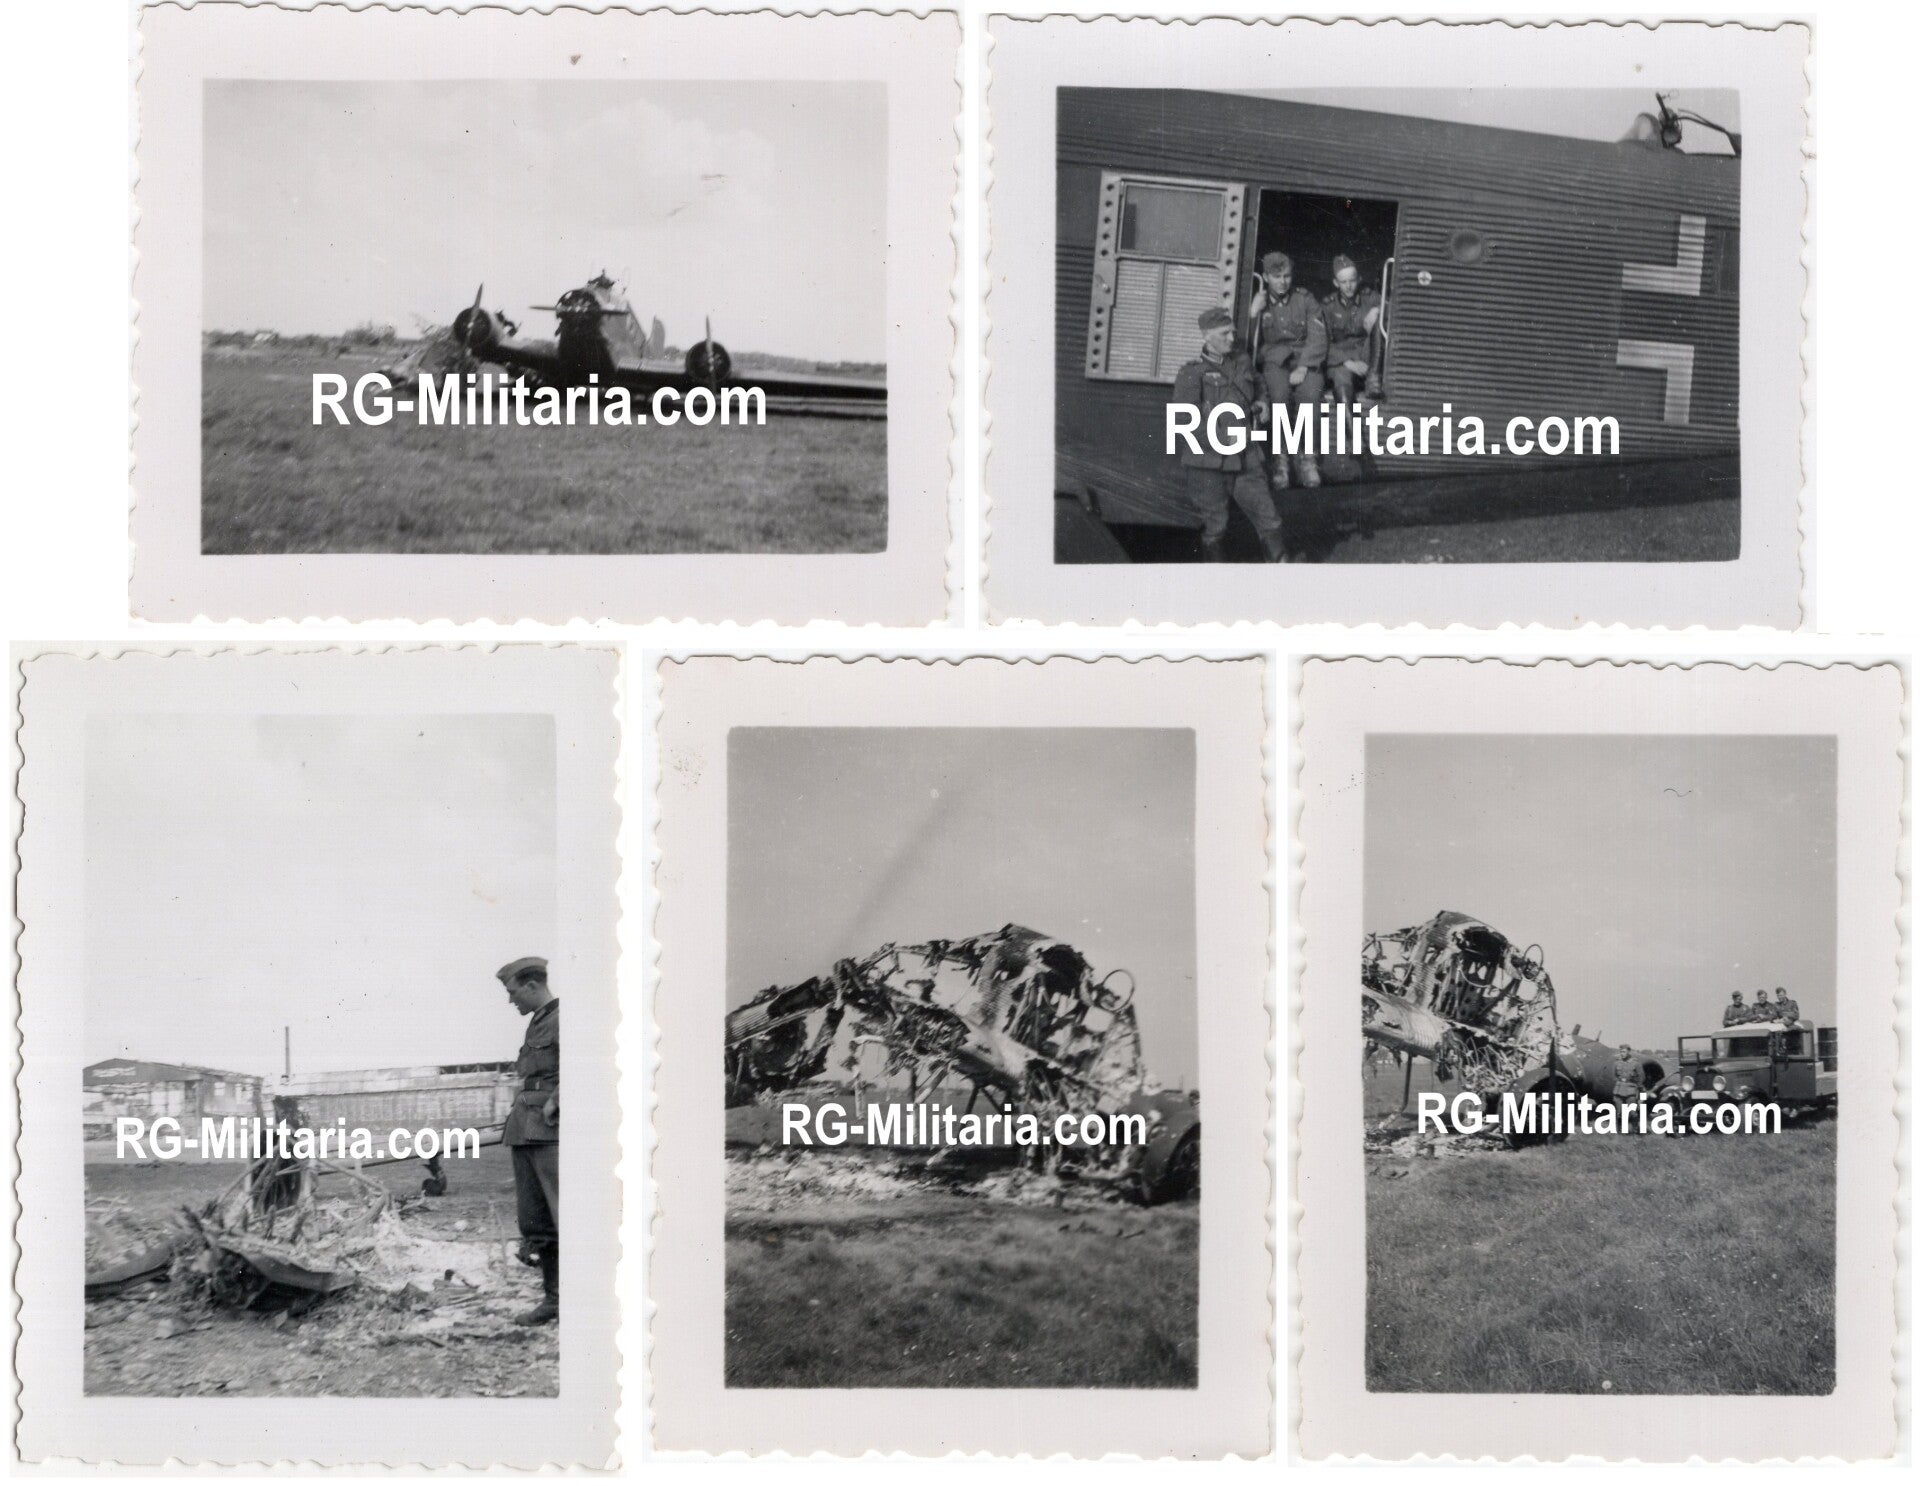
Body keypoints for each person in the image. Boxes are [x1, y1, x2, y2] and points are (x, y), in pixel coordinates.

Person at [1170, 305, 1285, 562]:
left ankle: (1281, 568)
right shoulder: (1192, 372)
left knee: (1269, 518)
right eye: (1224, 334)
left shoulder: (1241, 361)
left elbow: (1258, 383)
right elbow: (1184, 421)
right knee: (1216, 526)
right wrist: (1223, 440)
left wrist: (1263, 402)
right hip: (1208, 464)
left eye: (1232, 332)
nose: (1232, 338)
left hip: (1246, 458)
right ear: (1206, 336)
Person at [498, 955, 560, 1326]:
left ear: (532, 985)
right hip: (526, 1127)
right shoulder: (538, 1021)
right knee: (535, 1218)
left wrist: (557, 1100)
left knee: (562, 1213)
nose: (511, 1000)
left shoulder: (564, 1018)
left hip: (550, 1128)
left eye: (513, 992)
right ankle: (554, 1300)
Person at [1250, 251, 1327, 490]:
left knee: (1311, 398)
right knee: (1279, 399)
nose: (1283, 282)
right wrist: (1253, 313)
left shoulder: (1305, 299)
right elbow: (1247, 341)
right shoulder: (1259, 302)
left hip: (1305, 359)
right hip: (1275, 361)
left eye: (1287, 276)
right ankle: (1280, 461)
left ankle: (1308, 460)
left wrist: (1304, 367)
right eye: (1276, 277)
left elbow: (1318, 335)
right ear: (1266, 277)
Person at [1321, 254, 1382, 405]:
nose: (1348, 286)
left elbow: (1393, 306)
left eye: (1352, 280)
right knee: (1341, 377)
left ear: (1359, 279)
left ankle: (1372, 379)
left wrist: (1379, 310)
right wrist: (1349, 363)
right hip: (1342, 361)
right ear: (1336, 283)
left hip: (1366, 358)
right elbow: (1324, 343)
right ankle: (1349, 422)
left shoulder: (1369, 297)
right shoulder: (1328, 306)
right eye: (1343, 282)